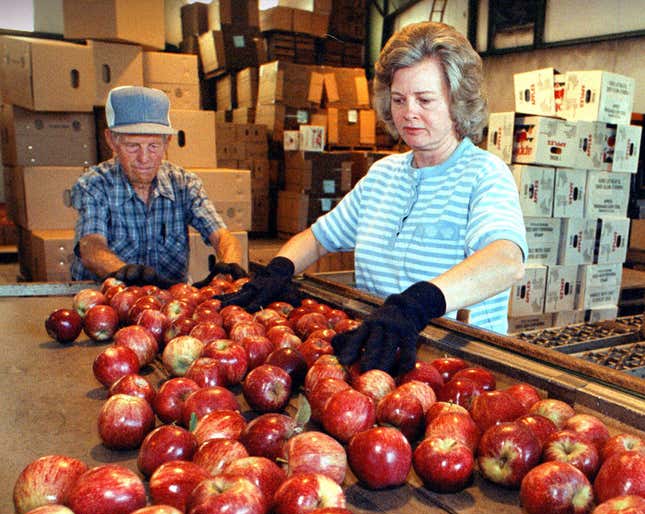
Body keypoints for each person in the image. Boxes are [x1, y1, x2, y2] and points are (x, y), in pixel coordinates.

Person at [217, 21, 528, 375]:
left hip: (453, 371)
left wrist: (416, 304)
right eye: (399, 99)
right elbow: (318, 239)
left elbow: (506, 260)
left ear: (458, 100)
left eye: (425, 99)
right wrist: (278, 269)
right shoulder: (383, 175)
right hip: (376, 351)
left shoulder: (484, 174)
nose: (409, 111)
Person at [70, 85, 245, 288]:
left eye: (153, 146)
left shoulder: (184, 184)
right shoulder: (94, 184)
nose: (144, 158)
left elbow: (223, 236)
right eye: (132, 146)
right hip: (106, 297)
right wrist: (121, 272)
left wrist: (229, 263)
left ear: (167, 141)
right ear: (112, 140)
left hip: (169, 300)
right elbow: (91, 247)